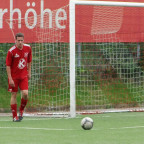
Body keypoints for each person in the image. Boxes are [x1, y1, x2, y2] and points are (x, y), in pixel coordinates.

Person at [6, 33, 32, 122]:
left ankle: (21, 111)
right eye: (18, 40)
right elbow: (8, 65)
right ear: (15, 40)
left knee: (25, 94)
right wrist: (10, 78)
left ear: (23, 40)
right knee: (14, 94)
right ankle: (14, 116)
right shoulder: (11, 51)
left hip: (23, 76)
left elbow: (29, 61)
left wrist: (29, 72)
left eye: (21, 40)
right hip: (14, 77)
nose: (20, 42)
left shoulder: (28, 48)